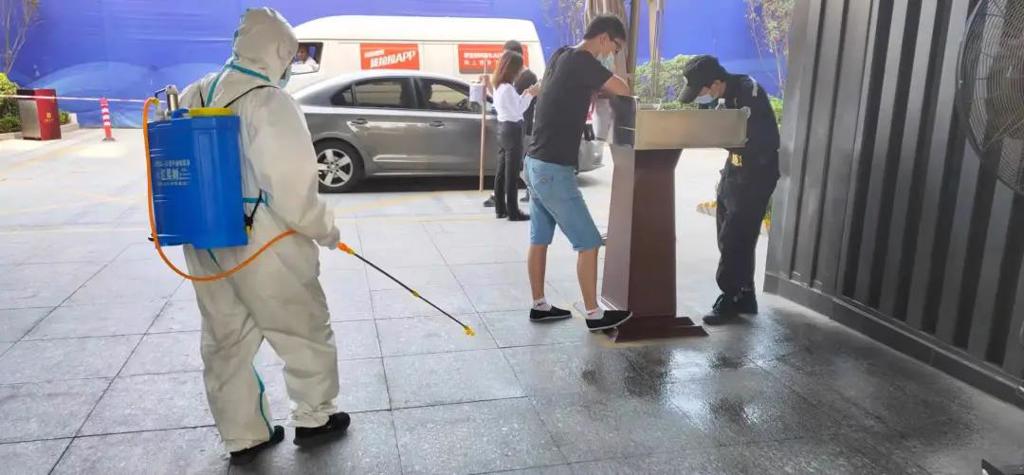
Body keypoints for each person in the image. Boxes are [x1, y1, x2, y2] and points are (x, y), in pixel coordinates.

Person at [178, 8, 348, 464]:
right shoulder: (269, 101)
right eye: (289, 56)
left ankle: (244, 435)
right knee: (302, 327)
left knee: (225, 340)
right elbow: (292, 189)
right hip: (265, 241)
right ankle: (315, 416)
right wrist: (325, 229)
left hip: (206, 239)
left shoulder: (196, 91)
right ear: (278, 51)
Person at [524, 15, 633, 331]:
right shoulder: (584, 61)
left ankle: (539, 305)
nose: (611, 54)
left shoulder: (561, 54)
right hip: (553, 170)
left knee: (539, 239)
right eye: (614, 47)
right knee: (589, 242)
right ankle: (595, 315)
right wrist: (609, 77)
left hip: (534, 162)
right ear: (603, 38)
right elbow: (622, 88)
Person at [677, 55, 780, 325]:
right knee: (728, 232)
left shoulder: (748, 92)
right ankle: (745, 294)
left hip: (756, 172)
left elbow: (757, 139)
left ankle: (730, 296)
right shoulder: (721, 97)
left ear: (715, 83)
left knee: (736, 235)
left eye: (701, 91)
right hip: (734, 170)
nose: (701, 97)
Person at [484, 40, 538, 208]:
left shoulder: (522, 78)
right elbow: (515, 106)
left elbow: (512, 105)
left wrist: (528, 94)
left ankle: (502, 203)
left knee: (511, 166)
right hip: (513, 125)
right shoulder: (507, 84)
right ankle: (510, 206)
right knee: (512, 168)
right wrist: (530, 94)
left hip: (516, 125)